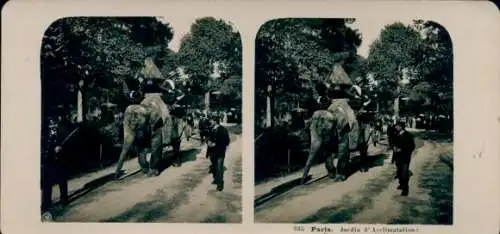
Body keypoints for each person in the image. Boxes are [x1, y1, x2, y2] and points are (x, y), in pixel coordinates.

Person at [41, 107, 75, 213]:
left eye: (56, 116)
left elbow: (68, 140)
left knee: (62, 178)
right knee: (47, 181)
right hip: (48, 156)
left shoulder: (63, 126)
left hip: (60, 157)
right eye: (51, 116)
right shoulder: (44, 126)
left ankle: (64, 199)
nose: (54, 119)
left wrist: (61, 147)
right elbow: (43, 139)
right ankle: (46, 203)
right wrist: (48, 150)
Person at [391, 121, 416, 196]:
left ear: (401, 127)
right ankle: (401, 184)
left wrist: (402, 149)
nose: (395, 127)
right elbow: (394, 142)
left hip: (405, 157)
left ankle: (405, 190)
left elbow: (412, 147)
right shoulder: (396, 134)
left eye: (397, 126)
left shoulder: (408, 135)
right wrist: (394, 147)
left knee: (404, 173)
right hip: (397, 157)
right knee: (399, 172)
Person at [206, 118, 231, 191]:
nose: (210, 121)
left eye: (211, 120)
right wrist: (208, 142)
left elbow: (227, 141)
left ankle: (220, 185)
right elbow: (207, 138)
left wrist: (216, 144)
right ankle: (216, 179)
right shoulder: (211, 129)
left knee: (219, 168)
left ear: (215, 121)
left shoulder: (223, 130)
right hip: (212, 152)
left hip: (220, 152)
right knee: (214, 167)